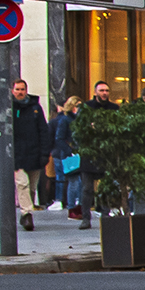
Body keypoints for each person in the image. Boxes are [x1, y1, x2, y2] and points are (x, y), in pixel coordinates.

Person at [7, 77, 49, 228]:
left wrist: (45, 153)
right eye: (17, 89)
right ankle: (27, 214)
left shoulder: (35, 109)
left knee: (31, 188)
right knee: (22, 184)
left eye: (22, 89)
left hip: (34, 153)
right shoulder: (9, 108)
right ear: (12, 91)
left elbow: (43, 131)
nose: (20, 92)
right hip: (18, 155)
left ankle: (26, 210)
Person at [53, 95, 88, 227]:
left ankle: (79, 207)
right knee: (74, 181)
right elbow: (59, 138)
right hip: (70, 154)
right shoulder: (65, 120)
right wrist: (69, 151)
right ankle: (72, 208)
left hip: (80, 153)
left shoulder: (80, 121)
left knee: (81, 181)